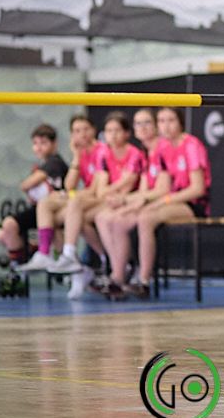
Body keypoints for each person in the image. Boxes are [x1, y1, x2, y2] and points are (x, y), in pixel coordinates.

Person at [120, 106, 211, 300]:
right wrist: (143, 200)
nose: (165, 126)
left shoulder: (191, 145)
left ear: (180, 122)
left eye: (170, 120)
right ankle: (131, 272)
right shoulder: (163, 148)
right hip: (172, 201)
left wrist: (164, 200)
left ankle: (143, 280)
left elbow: (197, 189)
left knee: (146, 218)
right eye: (161, 121)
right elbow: (162, 186)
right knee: (138, 216)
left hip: (194, 204)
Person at [54, 111, 145, 298]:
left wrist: (116, 193)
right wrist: (76, 157)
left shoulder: (110, 151)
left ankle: (116, 265)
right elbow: (84, 187)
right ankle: (104, 260)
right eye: (109, 131)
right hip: (109, 199)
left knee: (91, 212)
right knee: (79, 218)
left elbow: (121, 186)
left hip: (124, 202)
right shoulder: (105, 155)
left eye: (117, 130)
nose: (113, 135)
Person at [94, 108, 168, 297]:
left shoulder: (161, 149)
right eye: (138, 123)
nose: (142, 127)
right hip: (149, 199)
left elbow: (163, 190)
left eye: (147, 123)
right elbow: (143, 189)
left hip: (168, 201)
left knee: (134, 219)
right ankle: (119, 273)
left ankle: (139, 279)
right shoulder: (146, 153)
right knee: (108, 218)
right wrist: (129, 200)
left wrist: (128, 199)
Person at [17, 114, 98, 272]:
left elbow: (96, 190)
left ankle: (66, 256)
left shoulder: (100, 151)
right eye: (76, 131)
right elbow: (69, 185)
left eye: (85, 129)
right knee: (49, 212)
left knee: (56, 204)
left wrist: (69, 195)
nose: (82, 134)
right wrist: (76, 156)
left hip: (95, 199)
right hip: (79, 199)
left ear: (94, 130)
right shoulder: (81, 154)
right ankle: (54, 257)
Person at [0, 124, 68, 264]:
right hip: (38, 209)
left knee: (9, 225)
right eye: (35, 143)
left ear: (54, 144)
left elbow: (26, 184)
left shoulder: (55, 163)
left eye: (43, 143)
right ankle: (24, 259)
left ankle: (28, 258)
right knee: (3, 233)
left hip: (52, 210)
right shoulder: (42, 164)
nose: (38, 147)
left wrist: (29, 183)